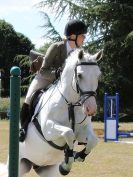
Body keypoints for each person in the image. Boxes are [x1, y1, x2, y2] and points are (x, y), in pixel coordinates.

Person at [19, 19, 88, 142]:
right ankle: (23, 127)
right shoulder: (56, 47)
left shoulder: (78, 53)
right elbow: (43, 70)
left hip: (63, 83)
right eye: (82, 35)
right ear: (73, 36)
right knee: (29, 97)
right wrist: (56, 73)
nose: (84, 38)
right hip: (46, 77)